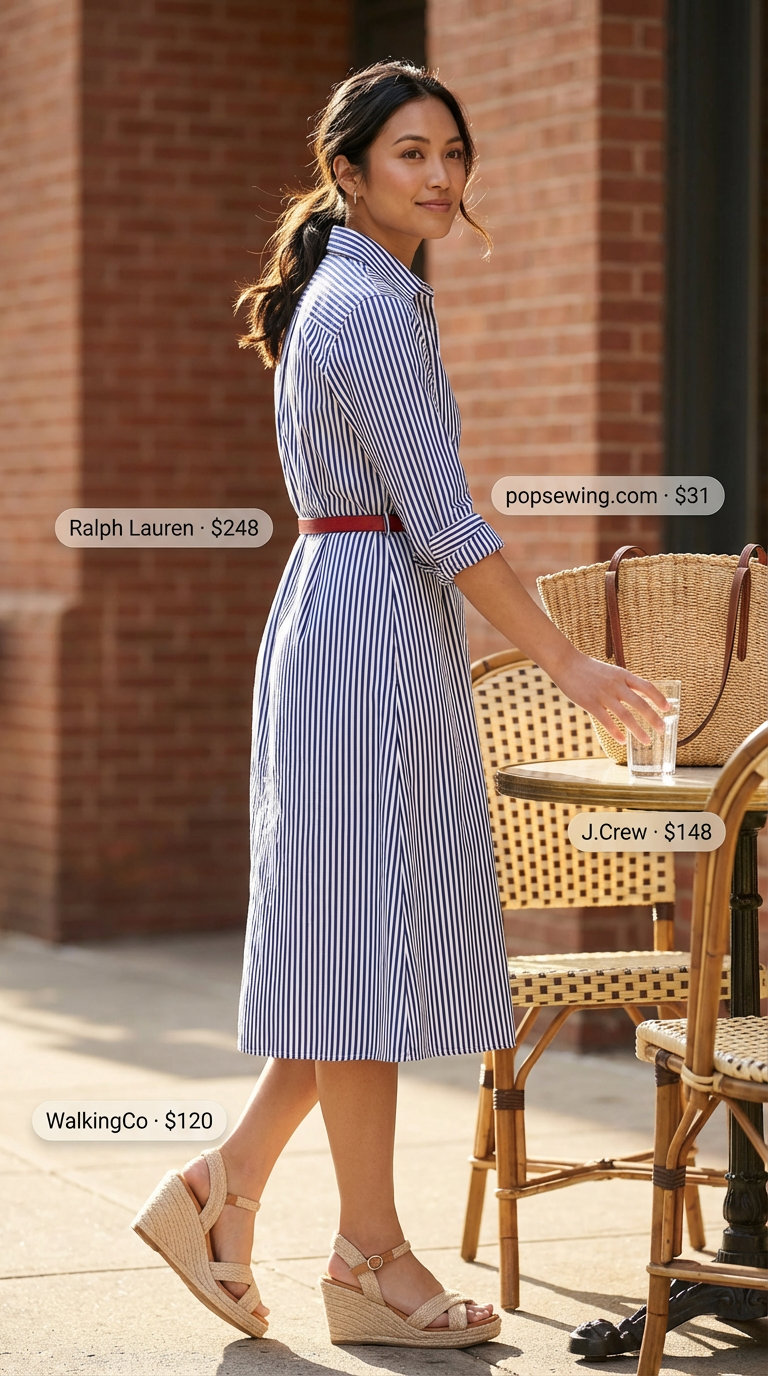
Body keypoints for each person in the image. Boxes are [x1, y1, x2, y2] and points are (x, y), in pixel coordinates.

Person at [131, 60, 668, 1349]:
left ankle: (222, 1189)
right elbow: (438, 513)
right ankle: (368, 1259)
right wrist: (570, 664)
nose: (439, 176)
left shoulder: (367, 288)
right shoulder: (368, 304)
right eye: (411, 154)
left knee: (347, 953)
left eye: (452, 153)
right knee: (362, 958)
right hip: (366, 623)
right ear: (350, 170)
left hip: (365, 618)